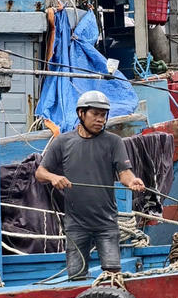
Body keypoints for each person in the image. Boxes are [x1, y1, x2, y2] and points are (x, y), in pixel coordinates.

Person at [35, 90, 145, 279]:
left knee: (113, 275)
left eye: (103, 115)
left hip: (106, 222)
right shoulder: (63, 141)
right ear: (81, 113)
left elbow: (124, 173)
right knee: (76, 277)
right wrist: (54, 178)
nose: (100, 119)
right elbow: (40, 173)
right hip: (75, 223)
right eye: (95, 114)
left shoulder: (114, 142)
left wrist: (132, 181)